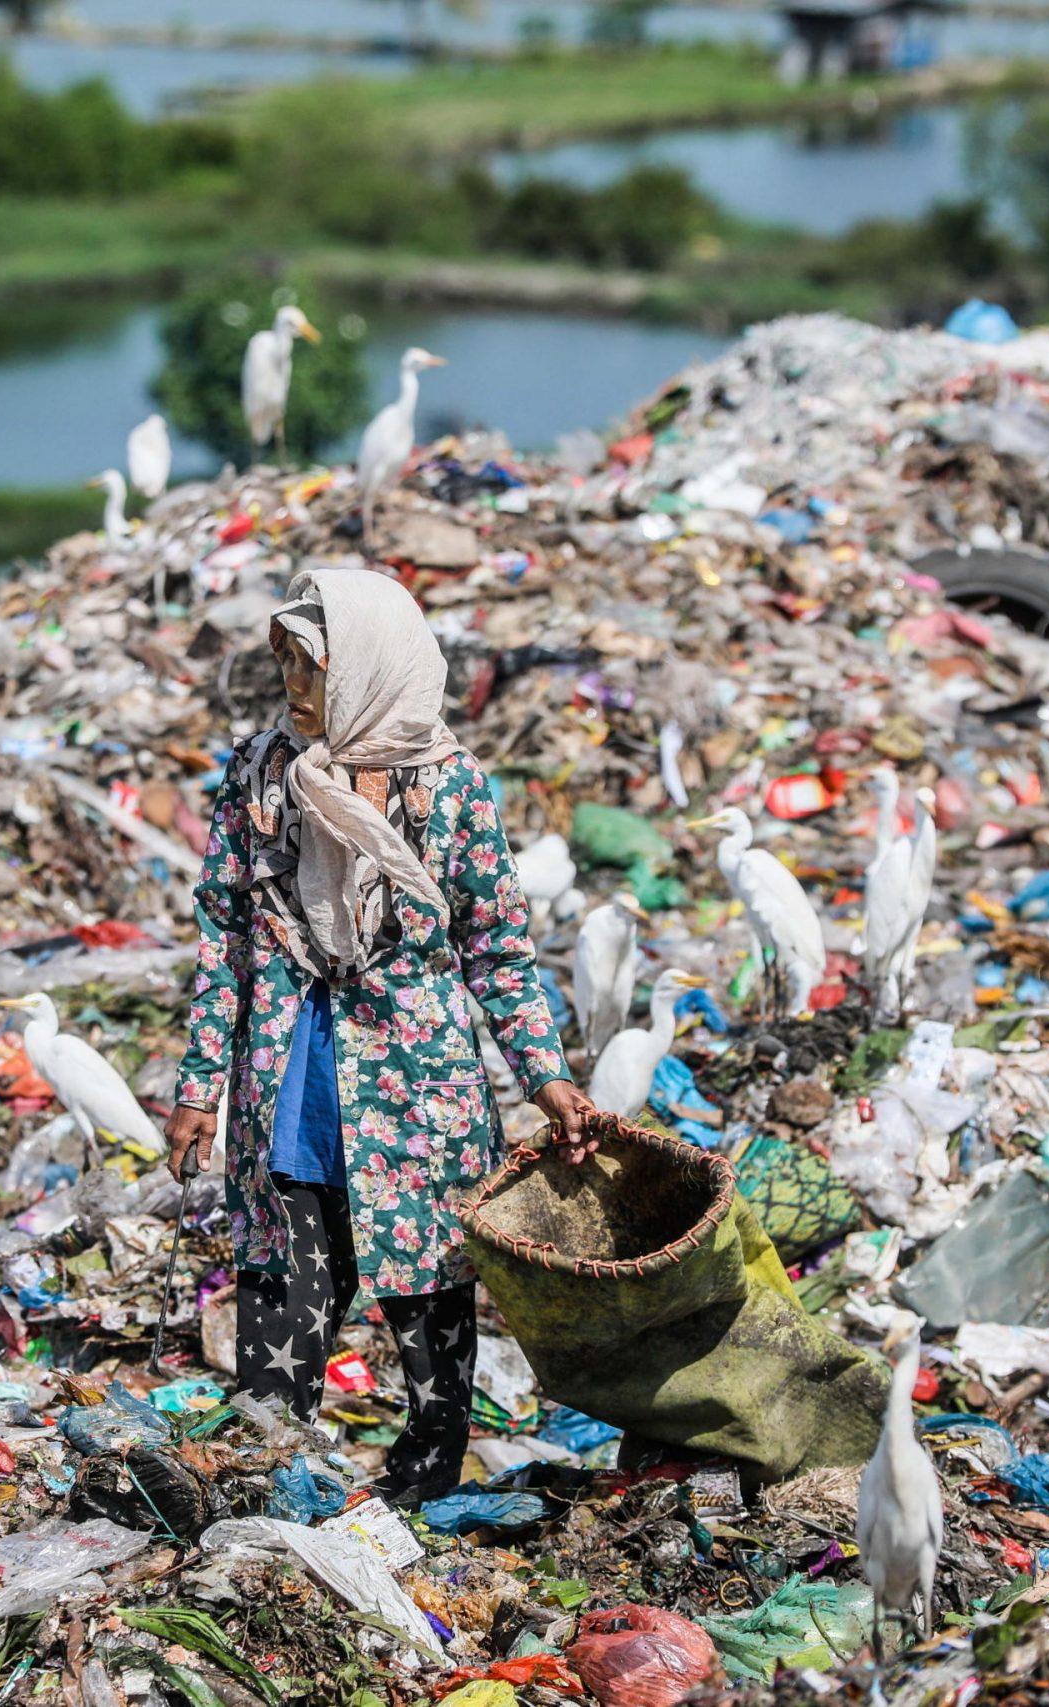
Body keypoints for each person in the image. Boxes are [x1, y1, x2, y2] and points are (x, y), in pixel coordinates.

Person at [162, 566, 597, 1505]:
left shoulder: (449, 790)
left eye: (312, 666)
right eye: (285, 662)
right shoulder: (260, 775)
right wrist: (201, 1085)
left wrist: (547, 1077)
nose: (295, 687)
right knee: (285, 1283)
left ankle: (426, 1481)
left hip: (417, 1087)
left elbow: (496, 947)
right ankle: (270, 1484)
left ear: (365, 668)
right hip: (293, 1075)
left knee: (429, 1293)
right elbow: (225, 937)